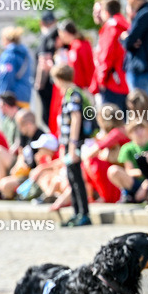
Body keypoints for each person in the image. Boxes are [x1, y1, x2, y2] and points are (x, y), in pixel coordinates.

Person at [51, 64, 96, 226]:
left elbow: (76, 119)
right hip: (69, 143)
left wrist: (72, 144)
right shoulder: (70, 94)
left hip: (74, 143)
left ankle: (83, 213)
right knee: (71, 177)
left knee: (76, 178)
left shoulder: (73, 94)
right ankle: (76, 212)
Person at [92, 0, 130, 109]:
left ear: (106, 11)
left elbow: (106, 56)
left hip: (113, 82)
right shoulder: (125, 25)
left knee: (112, 121)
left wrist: (101, 80)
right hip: (125, 80)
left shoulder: (110, 28)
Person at [0, 26, 34, 105]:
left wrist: (2, 97)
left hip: (12, 99)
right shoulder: (24, 53)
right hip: (25, 94)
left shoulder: (9, 55)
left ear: (5, 39)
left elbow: (7, 78)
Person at [35, 11, 59, 128]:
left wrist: (39, 84)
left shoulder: (46, 38)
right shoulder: (55, 36)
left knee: (48, 116)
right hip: (53, 82)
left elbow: (43, 63)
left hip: (48, 84)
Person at [59, 20, 95, 91]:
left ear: (65, 33)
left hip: (85, 88)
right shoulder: (75, 45)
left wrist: (91, 86)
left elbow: (88, 67)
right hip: (80, 87)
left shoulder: (79, 45)